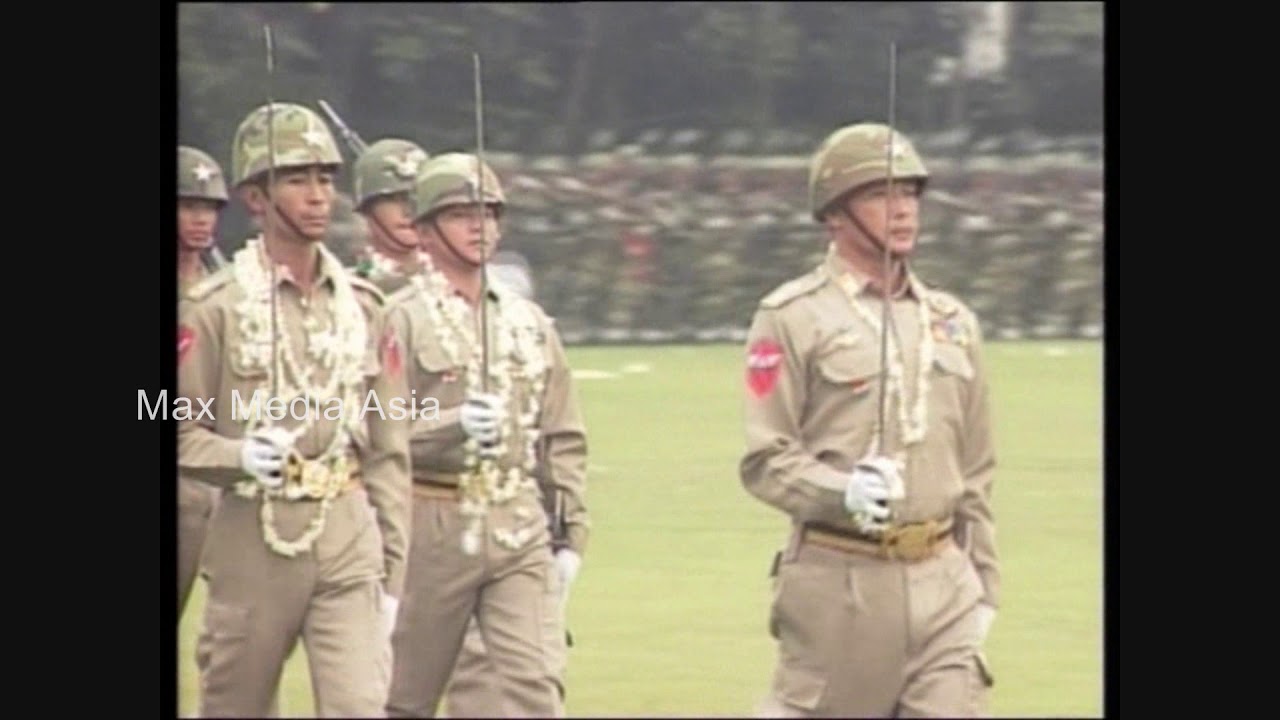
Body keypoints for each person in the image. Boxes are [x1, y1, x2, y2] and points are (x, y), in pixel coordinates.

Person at [740, 122, 999, 717]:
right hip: (842, 582)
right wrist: (841, 492)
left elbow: (976, 469)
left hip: (945, 581)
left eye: (910, 194)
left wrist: (984, 583)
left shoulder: (952, 321)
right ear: (835, 212)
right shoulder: (791, 317)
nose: (904, 210)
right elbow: (766, 460)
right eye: (880, 195)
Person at [177, 101, 412, 717]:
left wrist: (393, 567)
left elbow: (388, 446)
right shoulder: (215, 307)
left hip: (347, 531)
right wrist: (238, 455)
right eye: (297, 179)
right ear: (256, 198)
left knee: (362, 706)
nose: (318, 196)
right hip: (254, 538)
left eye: (326, 179)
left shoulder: (364, 305)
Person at [384, 153, 588, 718]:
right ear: (424, 230)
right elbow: (374, 428)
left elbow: (563, 435)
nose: (480, 226)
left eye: (490, 213)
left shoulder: (529, 323)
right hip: (430, 519)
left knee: (534, 685)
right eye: (459, 214)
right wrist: (450, 427)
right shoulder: (398, 320)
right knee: (404, 694)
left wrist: (571, 533)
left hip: (518, 520)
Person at [177, 145, 229, 617]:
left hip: (218, 458)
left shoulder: (225, 287)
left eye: (210, 207)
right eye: (189, 205)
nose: (201, 219)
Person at [351, 138, 432, 294]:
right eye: (393, 200)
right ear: (367, 208)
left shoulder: (457, 279)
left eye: (417, 198)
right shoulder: (349, 290)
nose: (408, 211)